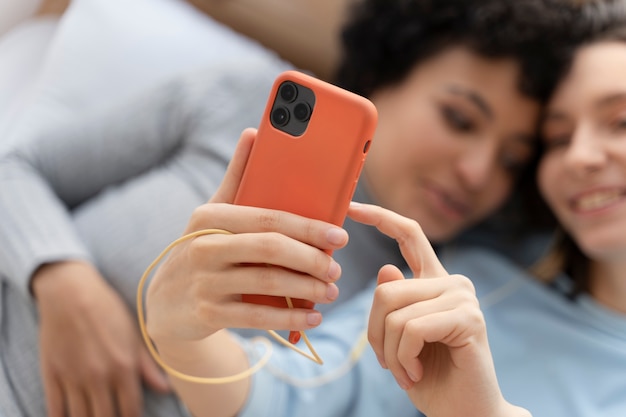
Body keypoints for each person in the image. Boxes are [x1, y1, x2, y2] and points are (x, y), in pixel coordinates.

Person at [0, 0, 578, 416]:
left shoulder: (421, 307)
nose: (477, 172)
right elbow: (15, 169)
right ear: (383, 73)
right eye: (459, 118)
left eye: (511, 160)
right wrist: (60, 281)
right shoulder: (244, 102)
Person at [146, 1, 626, 416]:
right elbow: (281, 399)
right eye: (558, 138)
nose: (580, 155)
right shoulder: (473, 292)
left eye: (620, 121)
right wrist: (178, 332)